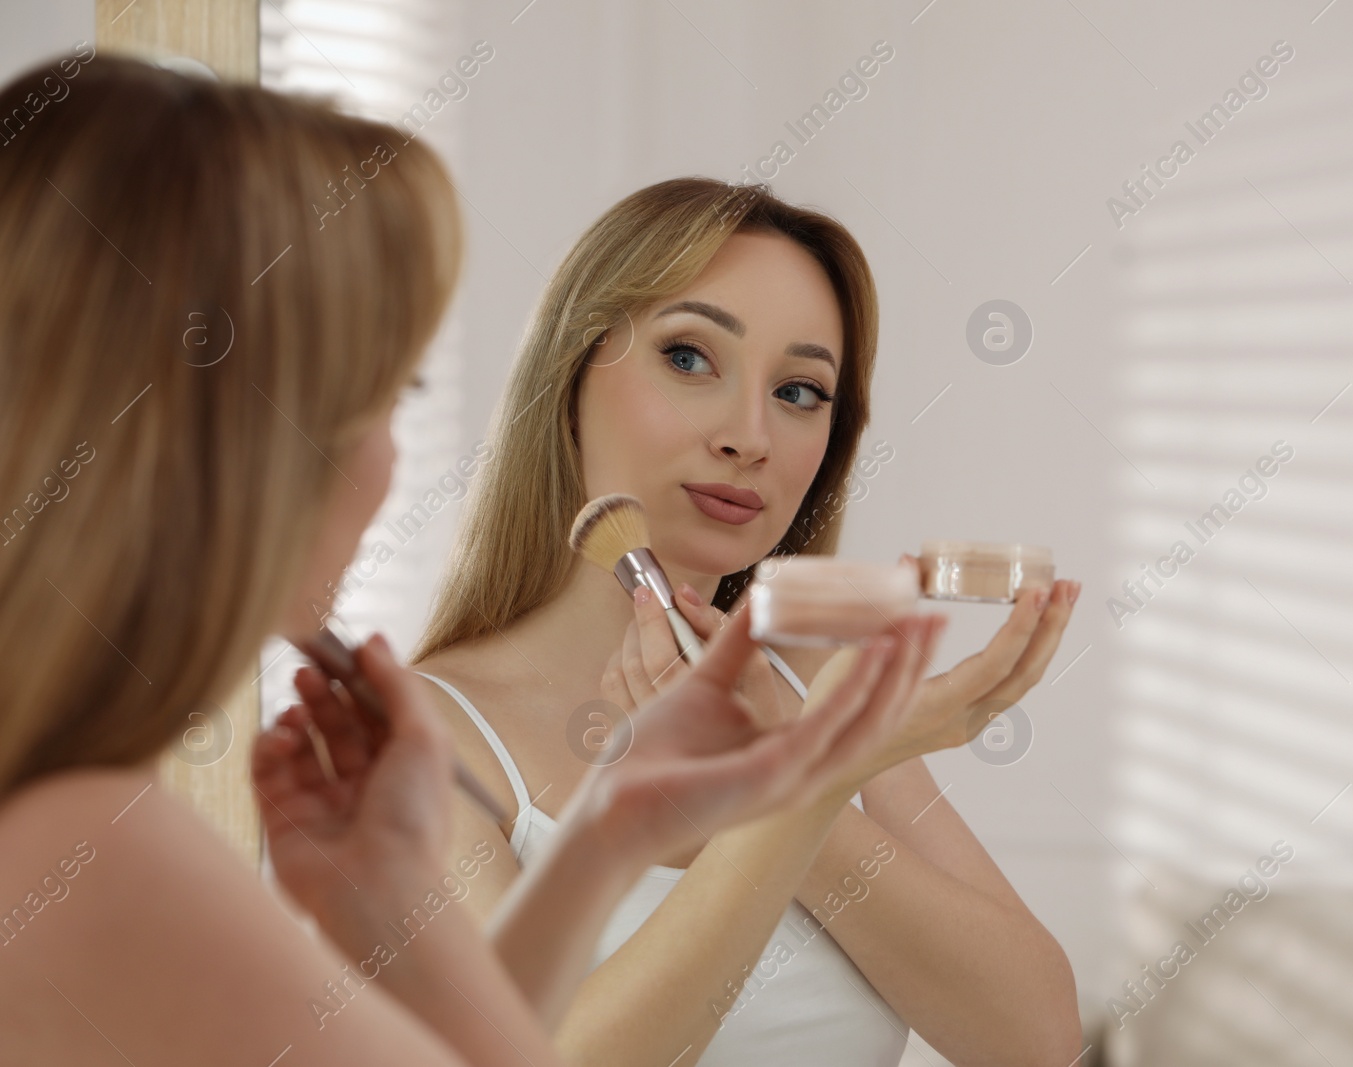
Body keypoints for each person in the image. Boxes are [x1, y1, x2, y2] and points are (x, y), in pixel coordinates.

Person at [0, 55, 946, 1065]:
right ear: (216, 430)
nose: (388, 457)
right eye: (382, 394)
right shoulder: (91, 849)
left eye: (801, 392)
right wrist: (790, 792)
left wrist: (600, 838)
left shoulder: (65, 825)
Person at [410, 177, 1085, 1065]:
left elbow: (1035, 1036)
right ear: (568, 374)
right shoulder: (423, 736)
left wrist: (788, 771)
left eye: (801, 391)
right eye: (689, 357)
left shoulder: (813, 676)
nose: (749, 434)